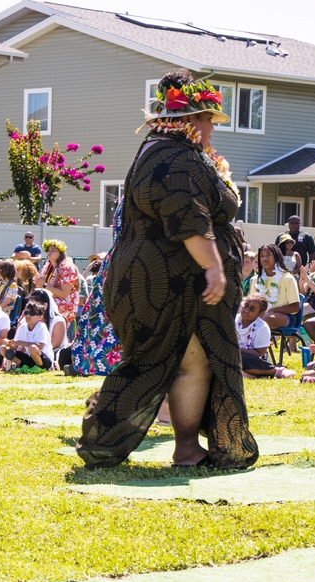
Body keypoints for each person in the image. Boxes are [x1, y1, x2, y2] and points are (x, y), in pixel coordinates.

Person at [78, 69, 257, 470]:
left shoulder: (160, 150)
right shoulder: (176, 158)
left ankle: (181, 447)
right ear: (189, 119)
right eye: (208, 117)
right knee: (175, 360)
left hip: (157, 276)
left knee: (175, 360)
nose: (212, 126)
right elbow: (188, 218)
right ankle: (116, 438)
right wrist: (214, 267)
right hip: (170, 281)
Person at [236, 294, 293, 379]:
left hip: (254, 358)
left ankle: (274, 371)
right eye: (246, 306)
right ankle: (247, 374)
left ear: (260, 313)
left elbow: (259, 353)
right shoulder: (234, 319)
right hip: (233, 353)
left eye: (252, 309)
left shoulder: (262, 327)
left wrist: (238, 350)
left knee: (241, 359)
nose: (246, 310)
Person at [251, 244, 300, 330]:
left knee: (268, 318)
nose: (264, 258)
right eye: (261, 256)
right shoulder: (256, 279)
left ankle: (256, 342)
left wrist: (273, 310)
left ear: (276, 257)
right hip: (262, 315)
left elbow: (295, 307)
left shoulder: (287, 278)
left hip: (286, 317)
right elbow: (252, 302)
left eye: (268, 255)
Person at [34, 239, 79, 326]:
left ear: (60, 254)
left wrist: (43, 285)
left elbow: (64, 294)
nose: (49, 252)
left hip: (64, 306)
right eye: (48, 250)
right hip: (48, 302)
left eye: (53, 250)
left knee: (36, 312)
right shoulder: (47, 267)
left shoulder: (67, 268)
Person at [0, 301, 53, 371]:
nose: (28, 316)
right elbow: (15, 347)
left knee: (32, 348)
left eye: (32, 313)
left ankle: (41, 368)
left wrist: (19, 342)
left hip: (44, 360)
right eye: (26, 313)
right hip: (29, 358)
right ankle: (23, 366)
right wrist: (9, 344)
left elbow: (40, 346)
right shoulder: (22, 327)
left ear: (40, 316)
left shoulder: (41, 326)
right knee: (3, 348)